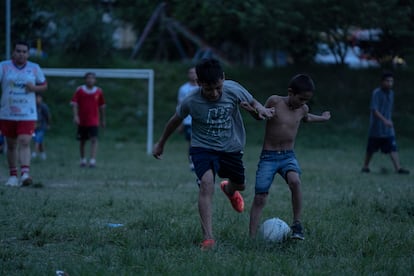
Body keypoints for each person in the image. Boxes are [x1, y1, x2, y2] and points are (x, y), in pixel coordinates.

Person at [152, 58, 275, 250]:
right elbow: (175, 120)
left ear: (223, 79)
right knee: (206, 184)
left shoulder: (233, 89)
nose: (214, 93)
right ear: (199, 83)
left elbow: (253, 102)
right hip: (203, 147)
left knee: (241, 184)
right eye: (209, 89)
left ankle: (229, 190)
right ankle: (208, 238)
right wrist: (161, 143)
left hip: (231, 147)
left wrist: (261, 109)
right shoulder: (191, 100)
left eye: (218, 87)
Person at [248, 74, 331, 240]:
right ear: (290, 92)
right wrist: (251, 110)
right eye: (301, 99)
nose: (303, 103)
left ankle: (297, 224)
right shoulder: (275, 101)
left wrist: (323, 118)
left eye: (306, 100)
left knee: (295, 181)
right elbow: (260, 116)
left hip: (288, 156)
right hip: (269, 157)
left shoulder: (303, 109)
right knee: (260, 196)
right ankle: (251, 236)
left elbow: (306, 118)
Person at [0, 41, 48, 186]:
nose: (21, 54)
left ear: (28, 53)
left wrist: (33, 88)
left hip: (27, 113)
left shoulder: (34, 68)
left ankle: (25, 174)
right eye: (18, 51)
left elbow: (44, 86)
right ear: (13, 52)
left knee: (25, 141)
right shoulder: (4, 66)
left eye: (24, 52)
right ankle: (13, 175)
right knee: (11, 144)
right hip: (8, 112)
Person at [361, 72, 409, 174]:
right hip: (376, 128)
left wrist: (389, 121)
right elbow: (374, 110)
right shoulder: (376, 93)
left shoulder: (391, 94)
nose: (389, 83)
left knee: (392, 147)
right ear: (382, 82)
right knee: (371, 149)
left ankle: (398, 168)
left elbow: (389, 109)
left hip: (387, 129)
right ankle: (365, 166)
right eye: (387, 81)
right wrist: (385, 121)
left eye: (391, 81)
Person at [71, 72, 106, 168]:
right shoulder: (80, 90)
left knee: (94, 139)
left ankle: (92, 161)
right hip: (82, 120)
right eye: (88, 78)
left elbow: (102, 106)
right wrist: (75, 116)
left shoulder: (99, 91)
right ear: (85, 79)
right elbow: (74, 104)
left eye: (92, 78)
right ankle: (82, 160)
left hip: (94, 120)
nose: (90, 80)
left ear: (95, 80)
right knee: (82, 140)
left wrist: (103, 119)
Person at [177, 66, 198, 171]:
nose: (192, 75)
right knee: (191, 142)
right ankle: (192, 162)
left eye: (194, 72)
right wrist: (180, 123)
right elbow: (180, 106)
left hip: (200, 121)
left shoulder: (203, 88)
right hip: (188, 121)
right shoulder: (183, 89)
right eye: (190, 72)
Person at [32, 93, 51, 160]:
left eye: (39, 98)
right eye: (36, 98)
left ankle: (34, 153)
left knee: (37, 139)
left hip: (42, 126)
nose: (37, 99)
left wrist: (48, 124)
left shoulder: (43, 106)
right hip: (34, 127)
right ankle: (43, 154)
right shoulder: (32, 106)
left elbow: (47, 116)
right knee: (39, 140)